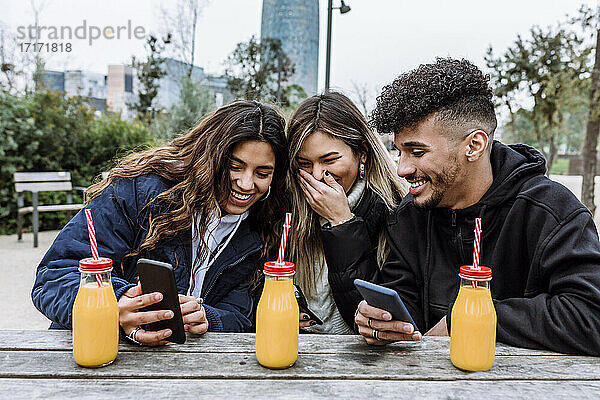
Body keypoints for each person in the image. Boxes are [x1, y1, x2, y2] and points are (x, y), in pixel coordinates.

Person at [355, 58, 600, 356]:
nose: (402, 169)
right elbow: (407, 307)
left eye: (417, 152)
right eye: (400, 151)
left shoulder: (551, 211)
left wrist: (466, 320)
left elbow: (590, 317)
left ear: (474, 146)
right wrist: (384, 322)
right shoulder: (411, 214)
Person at [32, 100, 289, 346]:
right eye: (234, 167)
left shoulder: (263, 226)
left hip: (187, 370)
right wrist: (113, 303)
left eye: (262, 173)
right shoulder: (139, 191)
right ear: (209, 157)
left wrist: (208, 318)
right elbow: (54, 276)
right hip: (101, 355)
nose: (246, 184)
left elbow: (241, 314)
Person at [286, 91, 406, 333]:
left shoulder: (395, 211)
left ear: (361, 152)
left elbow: (376, 313)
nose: (317, 175)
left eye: (329, 160)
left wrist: (342, 222)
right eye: (305, 163)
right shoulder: (287, 206)